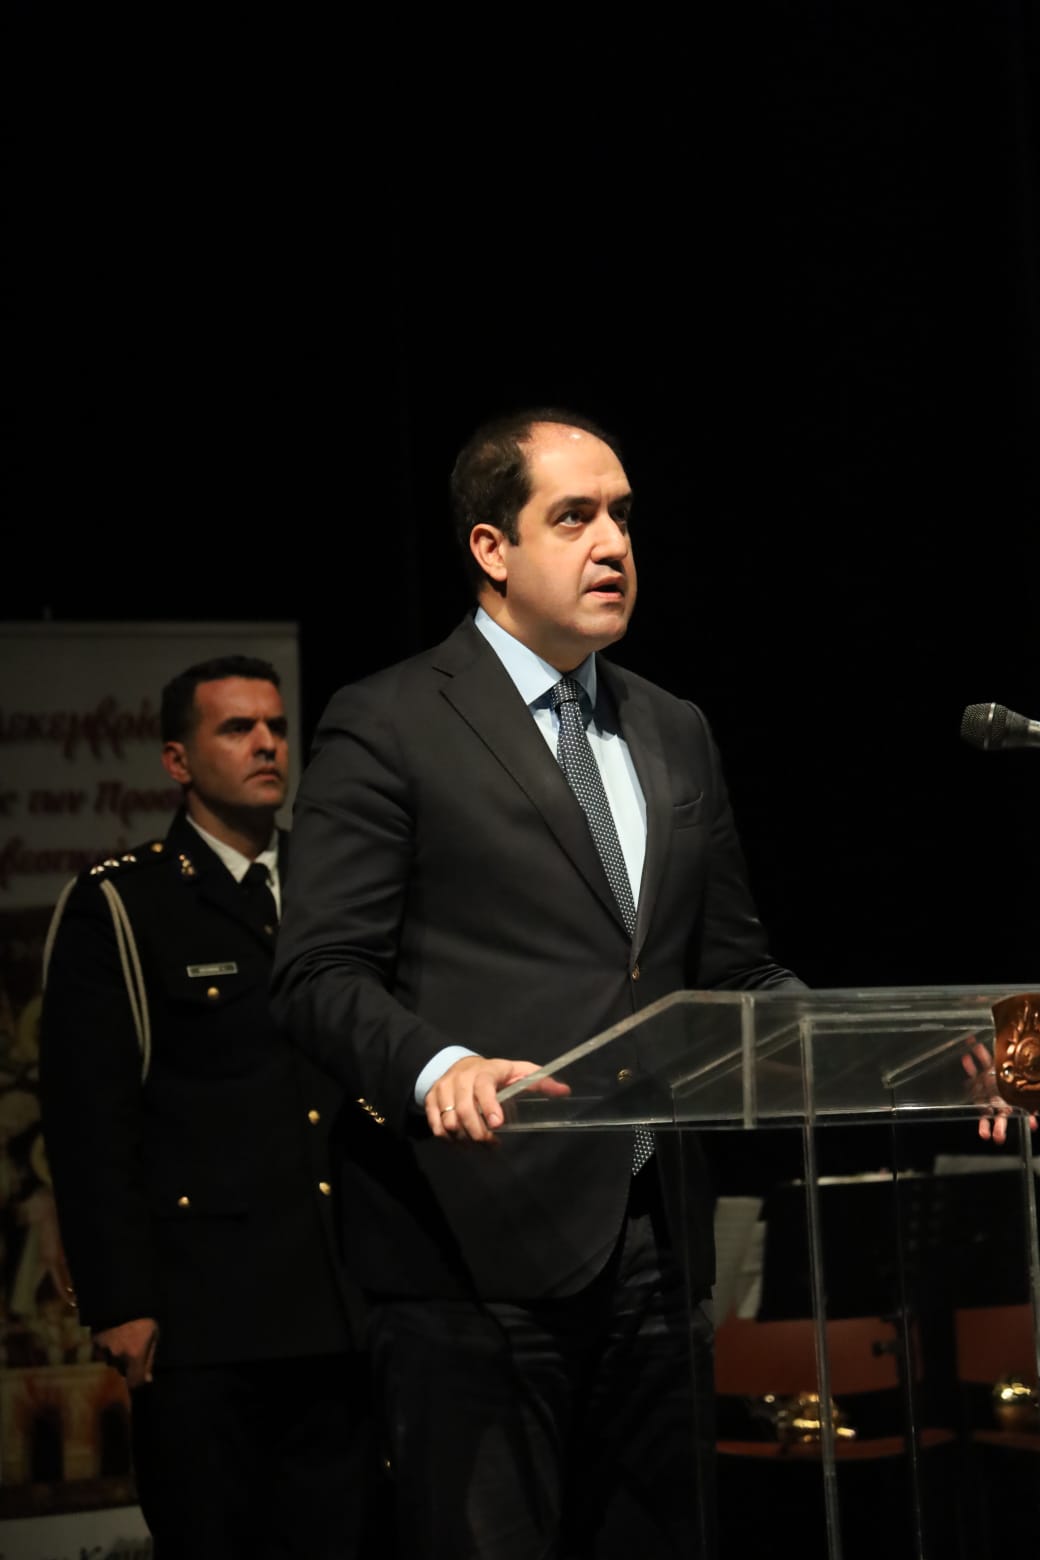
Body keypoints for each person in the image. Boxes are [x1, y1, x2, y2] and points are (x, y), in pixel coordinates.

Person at [269, 409, 804, 1560]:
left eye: (621, 516)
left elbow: (734, 968)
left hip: (657, 1249)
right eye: (572, 518)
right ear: (490, 548)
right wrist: (435, 1066)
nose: (612, 543)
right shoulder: (390, 720)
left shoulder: (673, 728)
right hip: (470, 1253)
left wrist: (902, 1047)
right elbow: (316, 970)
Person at [39, 654, 379, 1560]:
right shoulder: (124, 902)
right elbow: (88, 1120)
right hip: (206, 1315)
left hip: (342, 1299)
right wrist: (118, 1300)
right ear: (177, 760)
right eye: (237, 728)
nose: (267, 745)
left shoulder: (331, 885)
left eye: (276, 727)